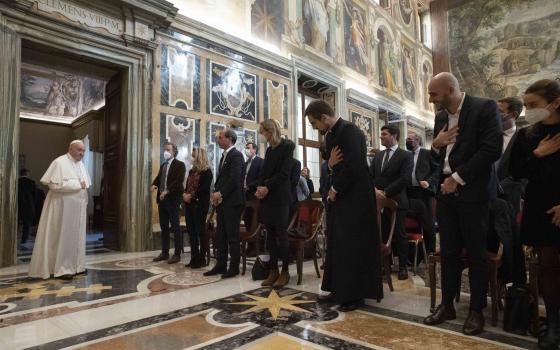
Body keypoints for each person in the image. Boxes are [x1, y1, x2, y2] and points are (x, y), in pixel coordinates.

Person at [423, 72, 502, 336]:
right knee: (448, 252)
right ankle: (447, 305)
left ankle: (476, 310)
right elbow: (438, 159)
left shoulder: (483, 107)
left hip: (473, 192)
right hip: (445, 193)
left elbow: (492, 150)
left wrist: (457, 178)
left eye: (434, 94)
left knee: (476, 252)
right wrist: (435, 146)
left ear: (450, 89)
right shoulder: (441, 117)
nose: (430, 98)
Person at [305, 99, 383, 311]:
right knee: (338, 245)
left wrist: (335, 188)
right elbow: (331, 165)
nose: (314, 128)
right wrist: (329, 167)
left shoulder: (350, 132)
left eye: (314, 123)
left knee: (353, 246)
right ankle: (338, 290)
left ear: (324, 117)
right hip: (342, 199)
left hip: (356, 199)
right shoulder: (332, 135)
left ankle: (355, 295)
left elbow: (354, 167)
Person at [509, 79, 560, 349]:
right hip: (540, 208)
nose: (527, 111)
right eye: (525, 105)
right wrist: (537, 154)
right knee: (547, 268)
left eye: (533, 105)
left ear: (555, 102)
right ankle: (552, 323)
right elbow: (516, 171)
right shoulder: (527, 135)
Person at [28, 140, 91, 280]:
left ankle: (77, 266)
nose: (81, 153)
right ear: (70, 149)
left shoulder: (81, 165)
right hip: (62, 208)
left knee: (78, 237)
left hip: (78, 209)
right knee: (63, 236)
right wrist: (77, 184)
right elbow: (54, 185)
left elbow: (85, 184)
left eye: (83, 151)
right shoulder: (59, 162)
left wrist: (82, 186)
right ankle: (62, 269)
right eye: (79, 150)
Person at [251, 119, 295, 287]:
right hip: (268, 198)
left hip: (281, 198)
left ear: (270, 131)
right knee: (270, 236)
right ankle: (273, 270)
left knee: (281, 236)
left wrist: (267, 187)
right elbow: (264, 172)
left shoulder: (287, 146)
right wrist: (260, 188)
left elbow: (284, 174)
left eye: (262, 132)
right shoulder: (269, 150)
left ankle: (285, 271)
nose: (261, 135)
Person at [372, 125, 413, 280]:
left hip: (397, 201)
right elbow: (371, 176)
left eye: (384, 134)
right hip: (378, 202)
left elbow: (405, 179)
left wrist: (385, 192)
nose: (380, 136)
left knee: (400, 234)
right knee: (381, 234)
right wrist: (375, 190)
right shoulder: (378, 156)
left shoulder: (405, 155)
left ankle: (402, 266)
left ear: (394, 136)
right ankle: (385, 265)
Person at [204, 128, 245, 278]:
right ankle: (221, 265)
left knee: (232, 236)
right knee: (221, 235)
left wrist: (220, 193)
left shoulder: (237, 155)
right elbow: (222, 179)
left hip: (233, 202)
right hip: (222, 202)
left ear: (229, 139)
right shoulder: (224, 156)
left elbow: (234, 179)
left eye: (220, 137)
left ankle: (233, 267)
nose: (218, 139)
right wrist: (216, 195)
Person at [496, 96, 527, 285]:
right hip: (486, 199)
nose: (496, 116)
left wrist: (502, 187)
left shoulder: (523, 138)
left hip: (511, 200)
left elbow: (524, 174)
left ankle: (512, 284)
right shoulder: (489, 136)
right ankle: (491, 281)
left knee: (510, 243)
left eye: (500, 112)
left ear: (513, 115)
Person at [151, 142, 186, 264]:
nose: (165, 151)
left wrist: (167, 191)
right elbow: (159, 177)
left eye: (168, 149)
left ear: (174, 152)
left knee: (175, 226)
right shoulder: (163, 165)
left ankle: (177, 254)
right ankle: (165, 253)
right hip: (162, 200)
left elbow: (178, 181)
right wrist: (154, 184)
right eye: (164, 149)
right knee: (164, 226)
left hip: (173, 199)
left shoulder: (180, 165)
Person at [405, 131, 439, 254]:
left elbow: (437, 170)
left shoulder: (426, 153)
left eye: (409, 139)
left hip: (424, 192)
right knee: (413, 221)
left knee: (428, 223)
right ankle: (416, 253)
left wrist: (429, 182)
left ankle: (430, 252)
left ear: (417, 140)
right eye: (407, 139)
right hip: (410, 191)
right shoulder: (407, 155)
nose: (407, 141)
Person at [183, 148, 213, 268]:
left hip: (200, 205)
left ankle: (202, 258)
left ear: (199, 157)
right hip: (189, 204)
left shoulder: (207, 172)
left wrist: (191, 196)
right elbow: (187, 186)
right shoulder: (191, 171)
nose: (191, 157)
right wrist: (184, 194)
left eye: (193, 155)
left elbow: (204, 189)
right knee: (191, 232)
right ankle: (193, 258)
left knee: (200, 232)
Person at [18, 168, 37, 245]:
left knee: (16, 223)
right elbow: (35, 195)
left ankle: (13, 238)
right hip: (28, 206)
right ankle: (24, 239)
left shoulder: (17, 182)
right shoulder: (31, 182)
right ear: (27, 174)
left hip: (18, 205)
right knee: (27, 224)